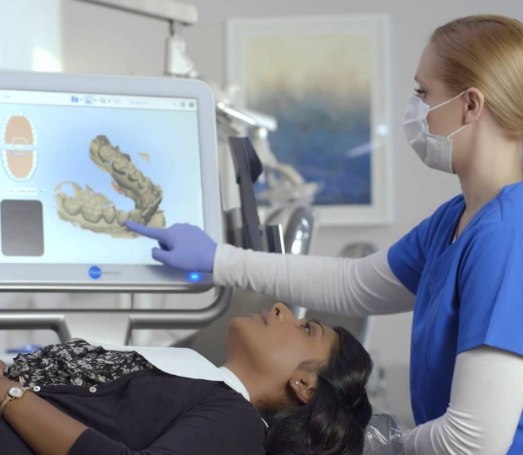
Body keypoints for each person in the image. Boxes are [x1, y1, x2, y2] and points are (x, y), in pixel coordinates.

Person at [126, 14, 523, 455]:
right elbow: (354, 284)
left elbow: (474, 441)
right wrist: (218, 259)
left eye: (423, 93)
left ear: (470, 105)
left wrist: (369, 443)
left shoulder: (507, 235)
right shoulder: (456, 219)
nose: (415, 109)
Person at [0, 302, 372, 455]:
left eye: (307, 329)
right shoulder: (194, 379)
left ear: (305, 385)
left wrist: (9, 394)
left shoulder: (237, 424)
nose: (281, 309)